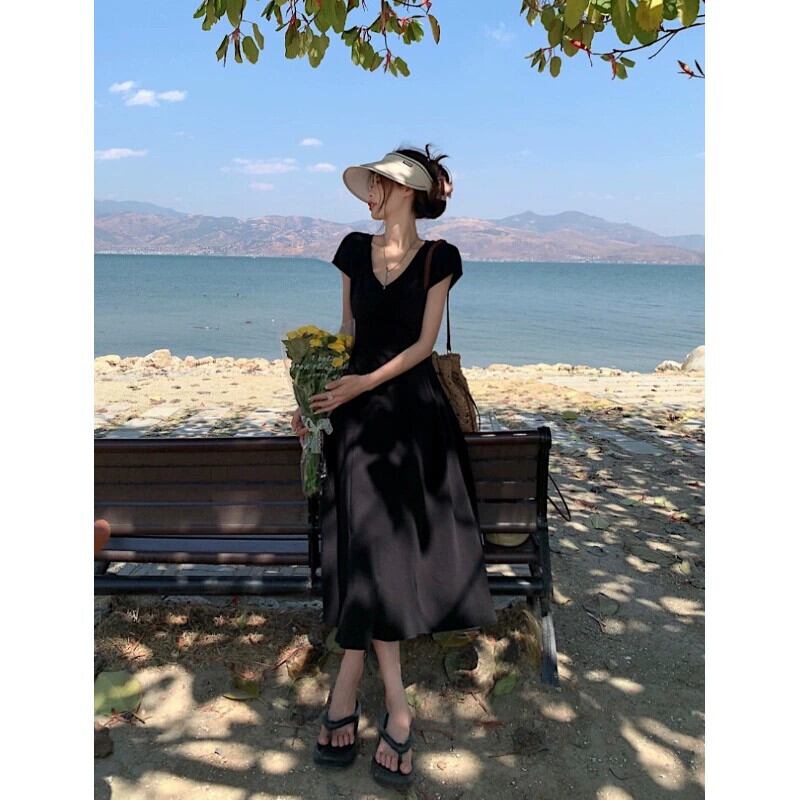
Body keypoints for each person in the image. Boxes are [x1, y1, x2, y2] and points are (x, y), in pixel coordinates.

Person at [291, 144, 497, 788]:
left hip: (412, 424)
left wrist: (361, 384)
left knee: (374, 553)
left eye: (379, 185)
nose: (370, 195)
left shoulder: (440, 258)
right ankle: (394, 705)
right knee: (371, 551)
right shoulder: (355, 249)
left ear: (406, 190)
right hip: (356, 421)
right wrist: (313, 396)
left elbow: (423, 347)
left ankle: (349, 685)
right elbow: (347, 332)